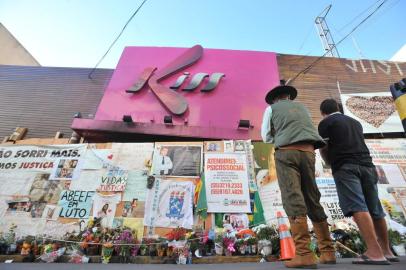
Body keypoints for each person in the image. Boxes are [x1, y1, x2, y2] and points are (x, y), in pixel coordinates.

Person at [261, 83, 335, 268]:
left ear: (275, 99)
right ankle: (327, 252)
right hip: (309, 152)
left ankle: (304, 254)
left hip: (286, 152)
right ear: (289, 97)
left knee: (292, 197)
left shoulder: (271, 109)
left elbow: (266, 137)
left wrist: (280, 137)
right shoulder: (303, 108)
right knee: (312, 197)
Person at [318, 98, 397, 265]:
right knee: (375, 208)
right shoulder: (355, 122)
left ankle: (374, 253)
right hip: (368, 166)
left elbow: (324, 147)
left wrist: (329, 163)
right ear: (338, 108)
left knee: (357, 206)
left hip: (346, 167)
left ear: (323, 113)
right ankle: (386, 251)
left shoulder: (326, 123)